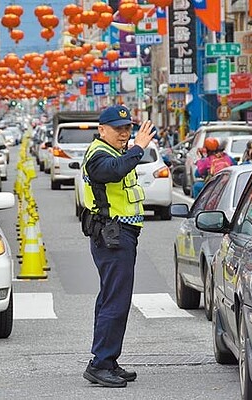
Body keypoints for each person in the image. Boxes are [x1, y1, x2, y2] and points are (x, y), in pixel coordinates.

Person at [81, 105, 156, 388]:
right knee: (115, 300)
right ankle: (101, 363)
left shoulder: (116, 152)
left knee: (111, 298)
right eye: (117, 129)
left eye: (127, 128)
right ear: (102, 130)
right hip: (112, 236)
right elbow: (113, 172)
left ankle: (107, 359)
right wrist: (138, 148)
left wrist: (133, 149)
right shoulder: (99, 156)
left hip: (120, 235)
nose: (124, 133)